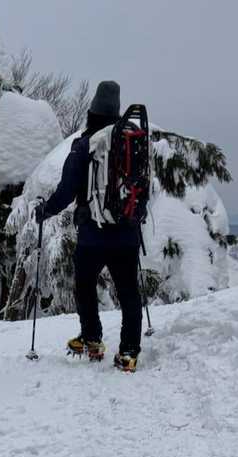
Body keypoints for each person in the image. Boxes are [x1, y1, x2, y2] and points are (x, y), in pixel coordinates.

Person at [35, 80, 142, 372]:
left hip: (93, 236)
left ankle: (92, 339)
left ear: (92, 111)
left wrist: (45, 211)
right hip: (127, 233)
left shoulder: (84, 145)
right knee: (129, 292)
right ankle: (129, 352)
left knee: (84, 286)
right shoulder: (132, 142)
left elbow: (66, 191)